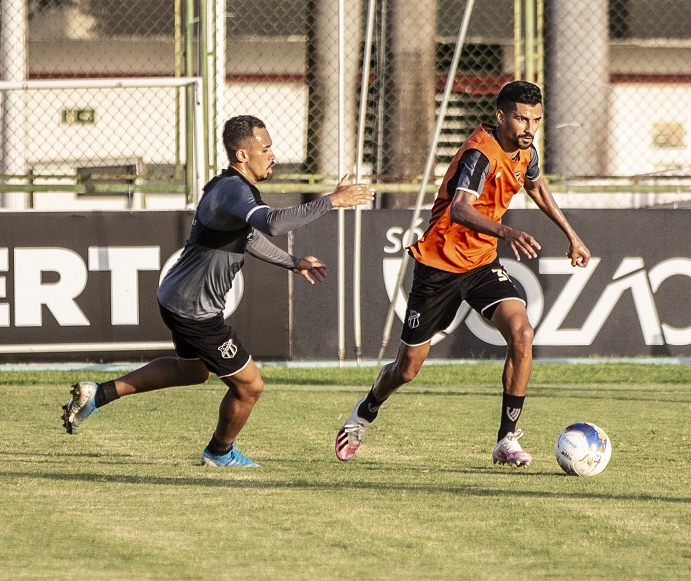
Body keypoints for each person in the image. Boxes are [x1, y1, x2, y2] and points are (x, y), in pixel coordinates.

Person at [62, 114, 374, 467]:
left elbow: (250, 236)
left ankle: (97, 395)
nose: (272, 154)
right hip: (195, 310)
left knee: (192, 371)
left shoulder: (226, 188)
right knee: (250, 386)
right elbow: (271, 224)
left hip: (177, 298)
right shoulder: (233, 190)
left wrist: (294, 262)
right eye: (265, 148)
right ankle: (219, 452)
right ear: (242, 155)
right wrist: (330, 201)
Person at [335, 81, 590, 467]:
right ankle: (364, 413)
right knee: (407, 369)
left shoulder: (525, 152)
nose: (529, 128)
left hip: (482, 264)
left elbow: (536, 187)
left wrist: (572, 236)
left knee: (522, 334)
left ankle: (506, 439)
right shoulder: (479, 154)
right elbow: (459, 209)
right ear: (501, 116)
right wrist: (507, 231)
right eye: (521, 118)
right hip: (438, 266)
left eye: (536, 120)